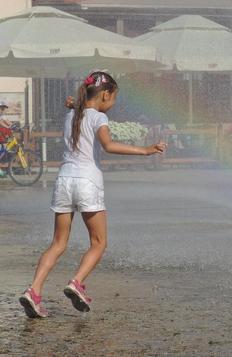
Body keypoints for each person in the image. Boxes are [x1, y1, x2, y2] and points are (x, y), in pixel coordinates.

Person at [19, 71, 166, 318]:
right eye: (114, 98)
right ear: (106, 94)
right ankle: (76, 282)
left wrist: (75, 105)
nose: (113, 104)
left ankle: (33, 291)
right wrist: (146, 150)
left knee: (58, 243)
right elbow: (109, 145)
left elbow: (80, 110)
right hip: (88, 181)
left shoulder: (70, 115)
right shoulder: (98, 118)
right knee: (99, 243)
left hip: (64, 180)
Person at [0, 101, 13, 178]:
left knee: (4, 149)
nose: (3, 110)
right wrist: (8, 127)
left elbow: (7, 121)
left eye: (3, 108)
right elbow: (1, 122)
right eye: (2, 108)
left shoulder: (2, 115)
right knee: (3, 148)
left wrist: (13, 125)